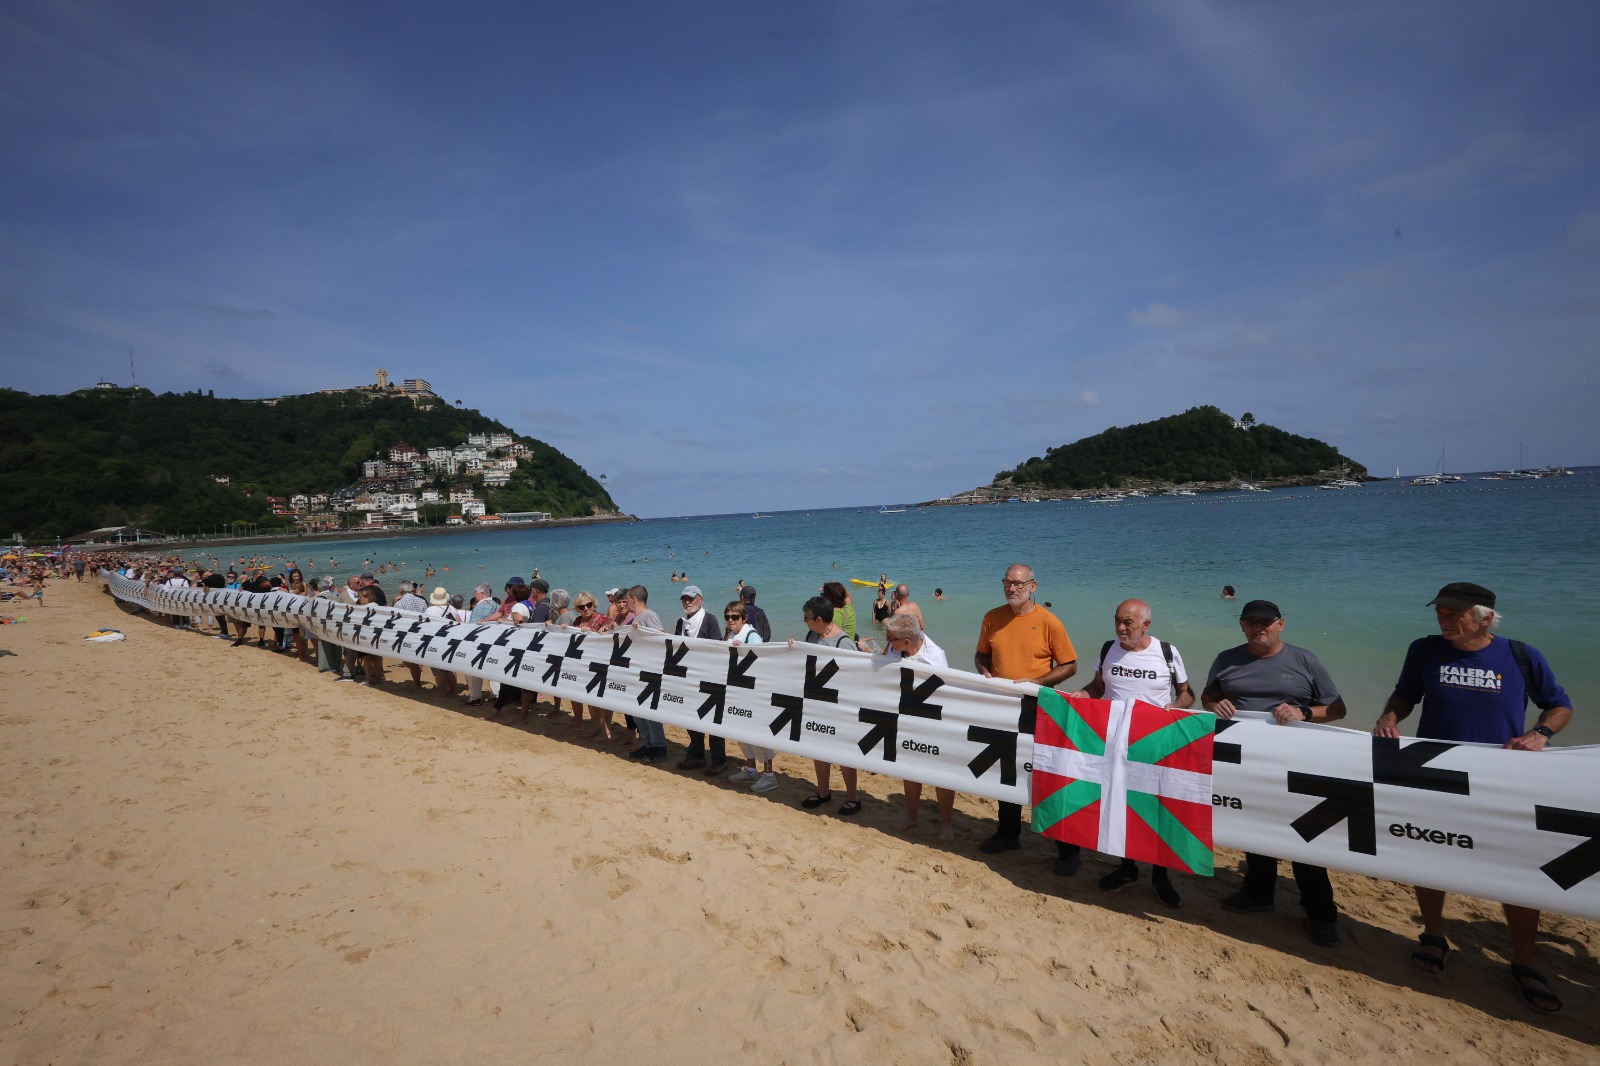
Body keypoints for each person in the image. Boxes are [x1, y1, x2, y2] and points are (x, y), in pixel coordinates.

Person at [1373, 582, 1574, 1013]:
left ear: (1485, 618)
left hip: (1501, 779)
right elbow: (1407, 693)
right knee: (1429, 854)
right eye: (1440, 612)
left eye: (1454, 614)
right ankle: (1433, 935)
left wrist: (1540, 734)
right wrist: (1389, 716)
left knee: (1517, 869)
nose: (1443, 620)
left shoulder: (1521, 655)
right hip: (1435, 773)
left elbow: (1559, 706)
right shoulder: (1425, 650)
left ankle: (1524, 962)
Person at [1203, 599, 1347, 948]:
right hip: (1247, 761)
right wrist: (1215, 705)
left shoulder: (1304, 660)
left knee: (1305, 837)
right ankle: (1258, 892)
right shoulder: (1226, 659)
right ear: (1242, 626)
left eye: (1265, 622)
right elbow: (1208, 696)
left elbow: (1338, 709)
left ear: (1281, 624)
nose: (1258, 628)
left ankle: (1321, 912)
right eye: (1251, 622)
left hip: (1299, 764)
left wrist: (1305, 713)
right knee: (1255, 828)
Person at [1069, 598, 1195, 907]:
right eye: (1117, 620)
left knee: (1157, 811)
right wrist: (1084, 693)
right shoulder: (1108, 649)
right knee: (1122, 807)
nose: (1121, 627)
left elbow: (1187, 694)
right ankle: (1127, 869)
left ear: (1146, 625)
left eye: (1128, 622)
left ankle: (1161, 877)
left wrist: (1176, 707)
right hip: (1115, 745)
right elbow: (1098, 687)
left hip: (1155, 745)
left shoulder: (1166, 653)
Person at [974, 564, 1079, 869]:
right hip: (1001, 705)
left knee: (1048, 774)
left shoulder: (1048, 621)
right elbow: (981, 654)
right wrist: (984, 671)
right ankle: (1008, 834)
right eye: (1007, 583)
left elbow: (1070, 665)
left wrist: (1037, 683)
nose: (1012, 588)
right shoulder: (992, 617)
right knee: (1006, 771)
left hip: (1038, 707)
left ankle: (1067, 850)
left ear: (1033, 586)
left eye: (1019, 584)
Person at [882, 612, 954, 840]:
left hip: (933, 721)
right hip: (906, 716)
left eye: (891, 639)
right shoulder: (895, 647)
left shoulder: (935, 657)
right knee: (909, 770)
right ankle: (911, 817)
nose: (888, 642)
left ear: (906, 641)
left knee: (941, 776)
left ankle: (946, 824)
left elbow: (947, 695)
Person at [792, 596, 861, 815]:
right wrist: (793, 649)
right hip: (817, 704)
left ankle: (852, 798)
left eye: (807, 618)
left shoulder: (844, 643)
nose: (804, 621)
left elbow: (856, 678)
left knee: (843, 755)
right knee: (818, 750)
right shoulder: (813, 636)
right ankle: (823, 792)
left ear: (819, 619)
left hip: (838, 708)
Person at [723, 600, 779, 793]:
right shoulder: (731, 635)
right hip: (738, 692)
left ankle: (769, 775)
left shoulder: (752, 636)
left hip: (754, 694)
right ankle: (751, 769)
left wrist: (745, 650)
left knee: (759, 734)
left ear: (744, 618)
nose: (731, 620)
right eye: (728, 616)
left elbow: (762, 661)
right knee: (741, 732)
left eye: (735, 617)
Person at [674, 586, 726, 773]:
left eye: (691, 598)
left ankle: (719, 761)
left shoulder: (709, 620)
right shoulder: (681, 623)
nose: (687, 602)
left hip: (709, 679)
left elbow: (716, 648)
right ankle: (696, 756)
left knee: (712, 722)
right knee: (691, 719)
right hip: (688, 679)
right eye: (684, 599)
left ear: (700, 599)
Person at [625, 586, 669, 762]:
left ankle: (659, 747)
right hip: (637, 669)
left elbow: (661, 638)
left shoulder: (649, 615)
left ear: (634, 599)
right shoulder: (635, 618)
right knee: (636, 710)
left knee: (650, 711)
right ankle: (648, 743)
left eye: (627, 599)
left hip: (650, 670)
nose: (626, 602)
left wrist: (642, 629)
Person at [424, 587, 459, 697]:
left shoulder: (430, 610)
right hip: (450, 641)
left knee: (438, 669)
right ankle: (453, 691)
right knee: (449, 668)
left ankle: (442, 692)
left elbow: (426, 626)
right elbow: (459, 624)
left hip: (436, 641)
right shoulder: (452, 609)